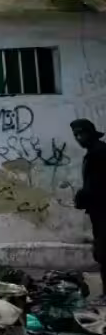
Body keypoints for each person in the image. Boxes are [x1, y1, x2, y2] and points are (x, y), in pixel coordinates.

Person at [72, 118, 106, 294]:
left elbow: (96, 186)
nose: (79, 138)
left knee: (104, 252)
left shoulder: (98, 153)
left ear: (90, 132)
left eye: (81, 133)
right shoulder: (96, 151)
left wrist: (82, 197)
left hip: (103, 211)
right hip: (99, 211)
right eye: (76, 135)